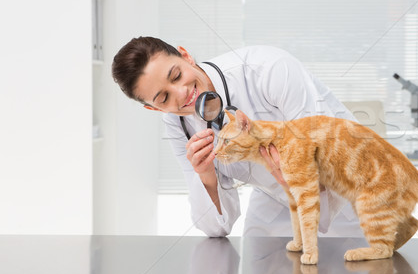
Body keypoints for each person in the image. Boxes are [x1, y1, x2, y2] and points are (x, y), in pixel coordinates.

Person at [112, 36, 362, 237]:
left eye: (177, 76)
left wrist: (285, 167)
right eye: (164, 98)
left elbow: (323, 165)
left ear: (186, 55)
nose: (182, 94)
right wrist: (206, 174)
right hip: (276, 200)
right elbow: (215, 229)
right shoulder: (178, 124)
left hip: (349, 189)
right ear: (154, 109)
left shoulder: (268, 70)